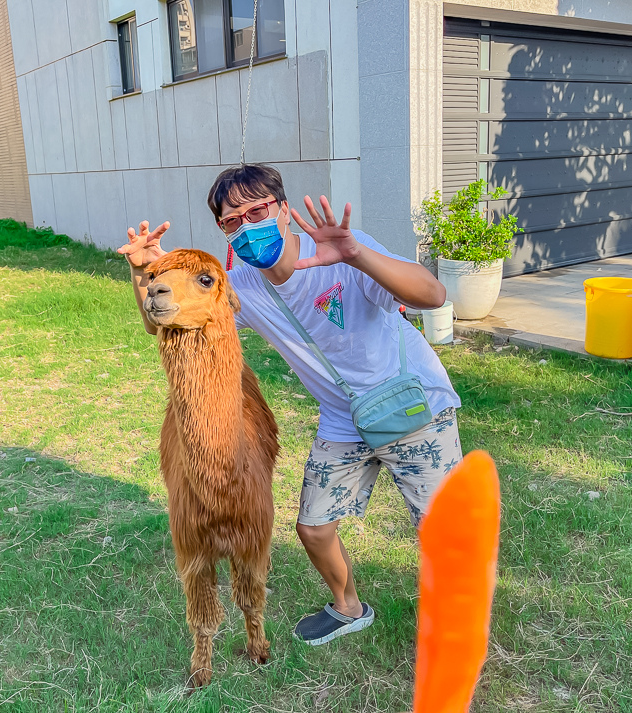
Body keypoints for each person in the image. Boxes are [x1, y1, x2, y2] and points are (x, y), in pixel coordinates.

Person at [120, 164, 462, 646]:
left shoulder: (342, 253)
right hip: (346, 418)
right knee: (314, 526)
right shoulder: (242, 286)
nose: (245, 226)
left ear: (282, 209)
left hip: (412, 404)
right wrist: (146, 273)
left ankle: (458, 626)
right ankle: (348, 608)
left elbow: (433, 295)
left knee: (443, 531)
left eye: (255, 211)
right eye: (231, 221)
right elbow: (164, 322)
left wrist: (357, 254)